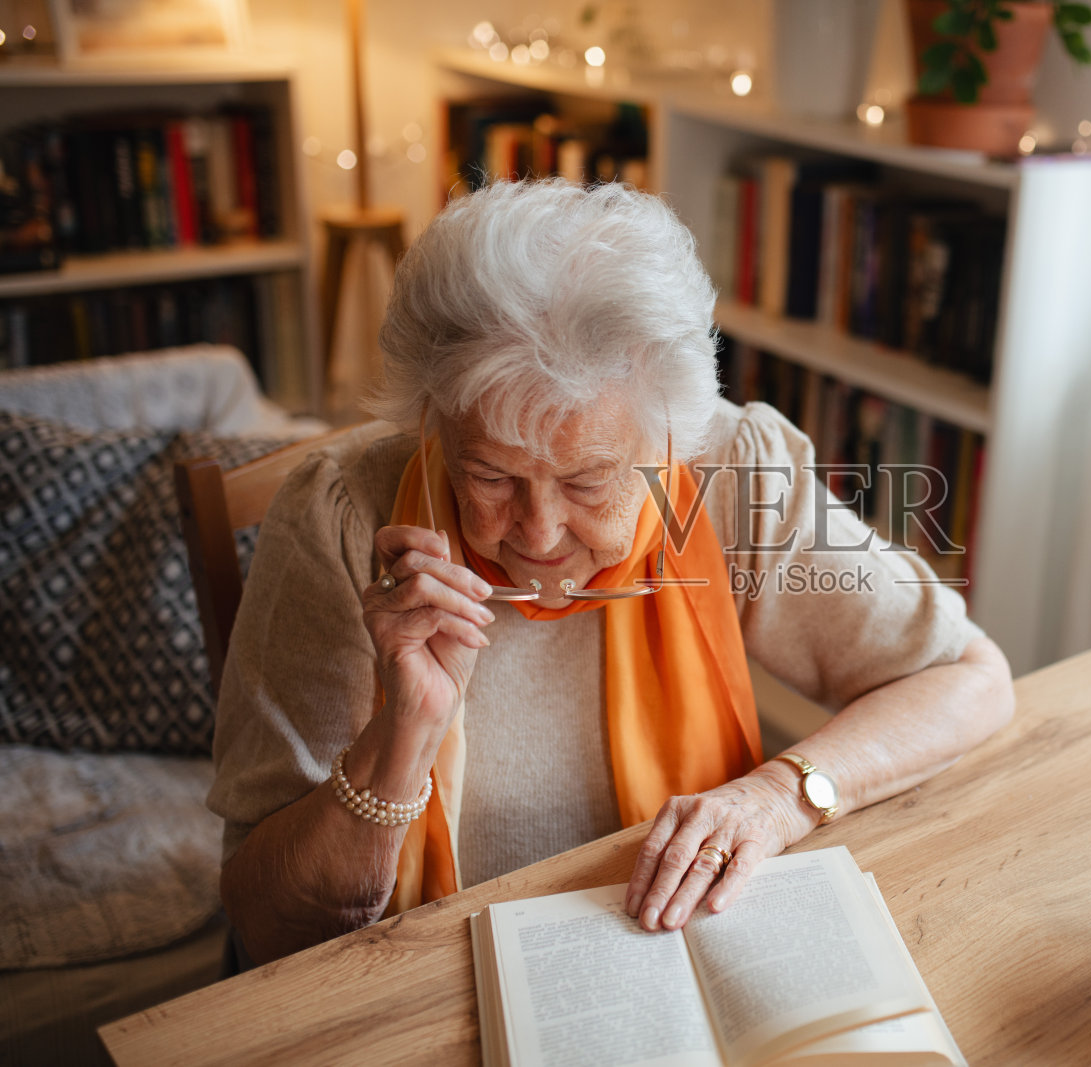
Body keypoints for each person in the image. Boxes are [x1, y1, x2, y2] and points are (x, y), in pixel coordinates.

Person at [208, 179, 1013, 965]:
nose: (540, 530)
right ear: (434, 418)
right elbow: (263, 926)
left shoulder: (728, 473)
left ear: (669, 430)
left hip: (681, 954)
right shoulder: (342, 515)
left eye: (589, 481)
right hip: (417, 984)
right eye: (490, 476)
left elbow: (970, 677)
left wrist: (779, 795)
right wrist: (401, 734)